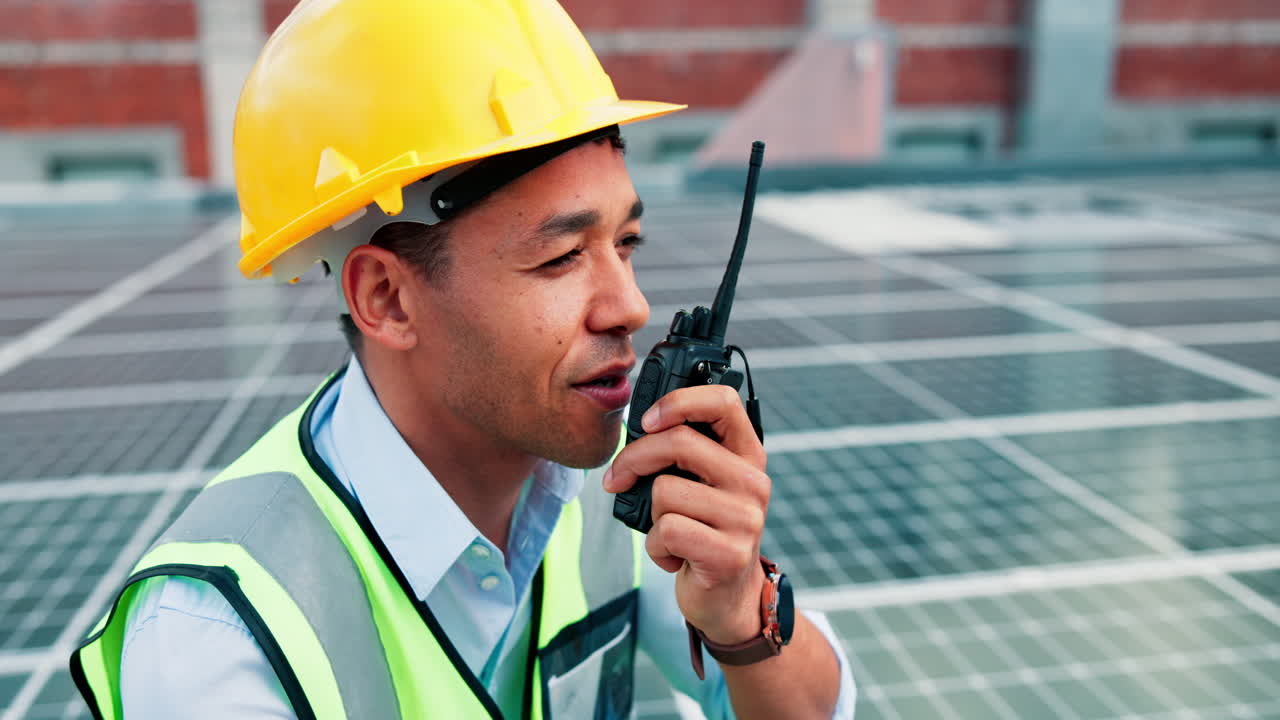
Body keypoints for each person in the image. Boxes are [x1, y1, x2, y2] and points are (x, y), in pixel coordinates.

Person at [71, 1, 855, 718]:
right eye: (559, 258)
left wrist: (743, 614)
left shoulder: (618, 479)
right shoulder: (216, 640)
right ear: (387, 299)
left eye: (625, 244)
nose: (631, 307)